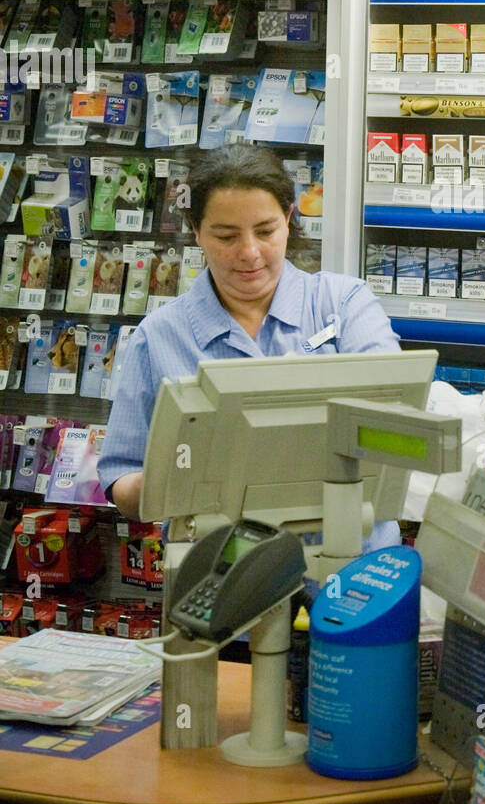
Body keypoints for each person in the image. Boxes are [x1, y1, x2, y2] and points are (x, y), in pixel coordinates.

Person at [98, 144, 401, 556]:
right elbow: (122, 479)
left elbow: (395, 424)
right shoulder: (160, 337)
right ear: (196, 229)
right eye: (226, 236)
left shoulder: (343, 304)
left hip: (351, 566)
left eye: (265, 231)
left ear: (289, 220)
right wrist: (185, 477)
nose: (249, 253)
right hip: (222, 578)